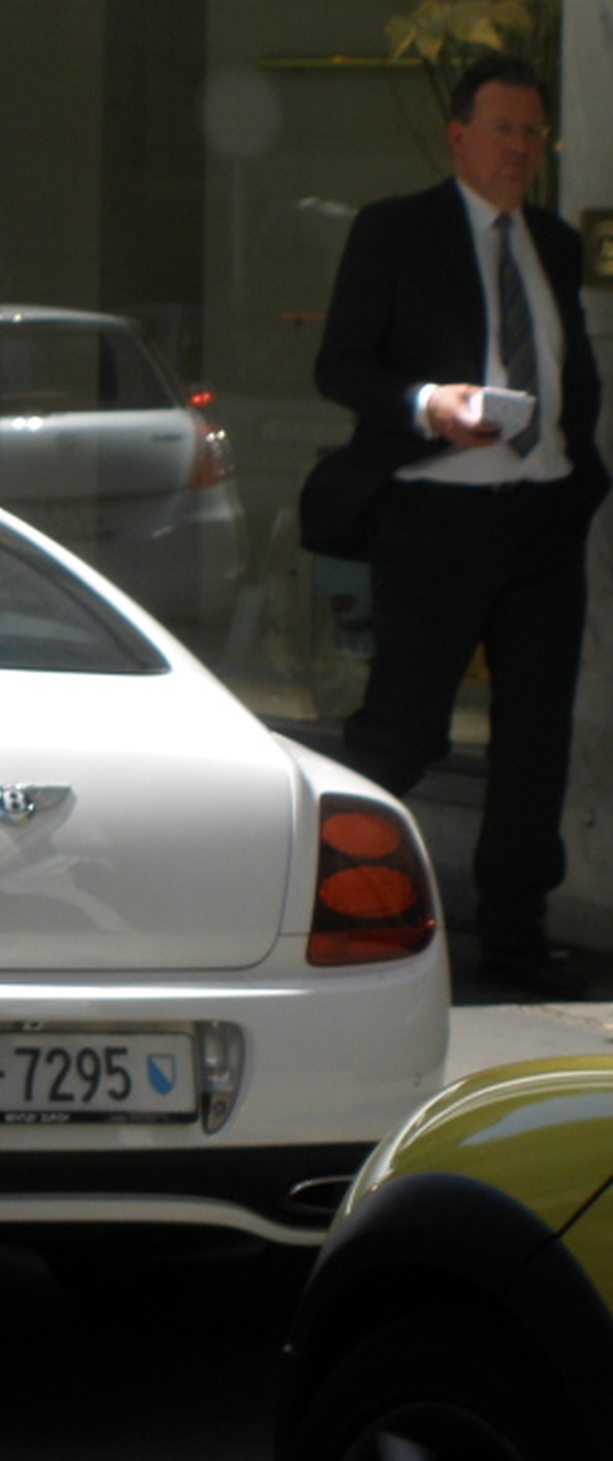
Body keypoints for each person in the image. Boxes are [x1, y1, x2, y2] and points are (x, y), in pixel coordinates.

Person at [302, 53, 608, 999]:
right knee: (404, 732)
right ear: (459, 137)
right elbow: (340, 366)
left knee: (534, 740)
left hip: (542, 520)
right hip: (435, 517)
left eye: (533, 133)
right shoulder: (397, 231)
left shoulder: (552, 244)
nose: (521, 150)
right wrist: (431, 402)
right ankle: (345, 917)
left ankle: (516, 942)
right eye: (504, 130)